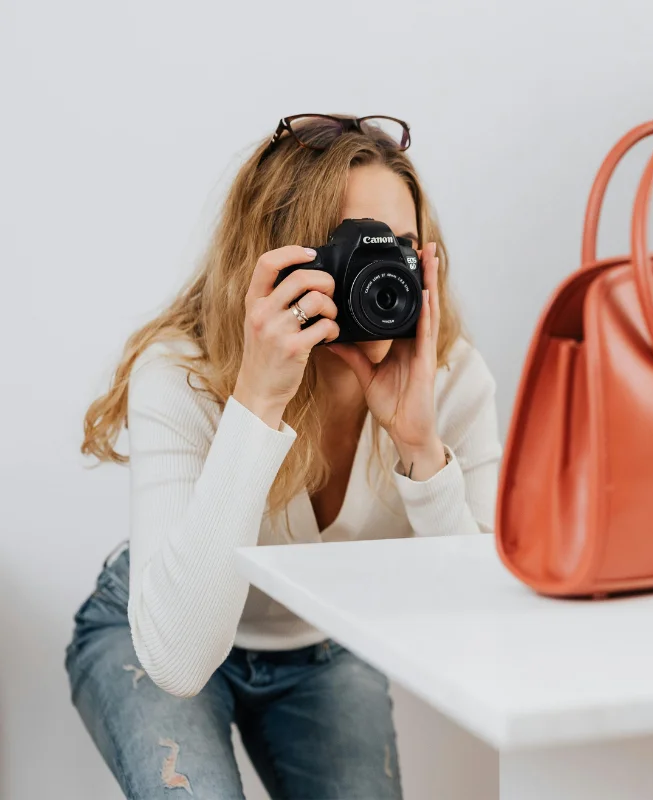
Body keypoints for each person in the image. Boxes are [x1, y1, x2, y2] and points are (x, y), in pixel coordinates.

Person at [67, 114, 500, 798]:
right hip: (151, 628)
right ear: (274, 257)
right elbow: (178, 660)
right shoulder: (183, 373)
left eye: (401, 245)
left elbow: (491, 635)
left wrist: (421, 449)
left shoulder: (451, 382)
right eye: (353, 248)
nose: (381, 270)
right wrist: (255, 403)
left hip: (320, 646)